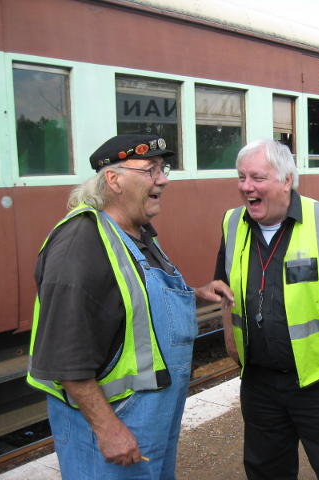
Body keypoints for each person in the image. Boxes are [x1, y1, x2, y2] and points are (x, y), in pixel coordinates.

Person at [27, 134, 234, 479]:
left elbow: (133, 300)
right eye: (151, 170)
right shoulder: (81, 243)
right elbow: (64, 354)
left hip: (151, 415)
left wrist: (195, 293)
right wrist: (108, 428)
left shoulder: (137, 234)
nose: (164, 179)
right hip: (115, 417)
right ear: (114, 179)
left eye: (162, 169)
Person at [214, 139, 319, 479]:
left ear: (286, 180)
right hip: (260, 385)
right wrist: (229, 338)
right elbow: (225, 287)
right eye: (241, 177)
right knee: (266, 472)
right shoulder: (232, 223)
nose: (247, 187)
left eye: (257, 178)